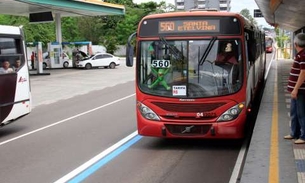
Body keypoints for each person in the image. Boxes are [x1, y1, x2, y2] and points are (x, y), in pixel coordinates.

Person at [284, 33, 305, 144]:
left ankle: (303, 136)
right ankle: (294, 133)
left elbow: (303, 72)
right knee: (294, 113)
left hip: (300, 91)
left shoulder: (303, 55)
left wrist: (296, 88)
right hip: (296, 91)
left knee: (301, 113)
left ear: (295, 44)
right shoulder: (300, 54)